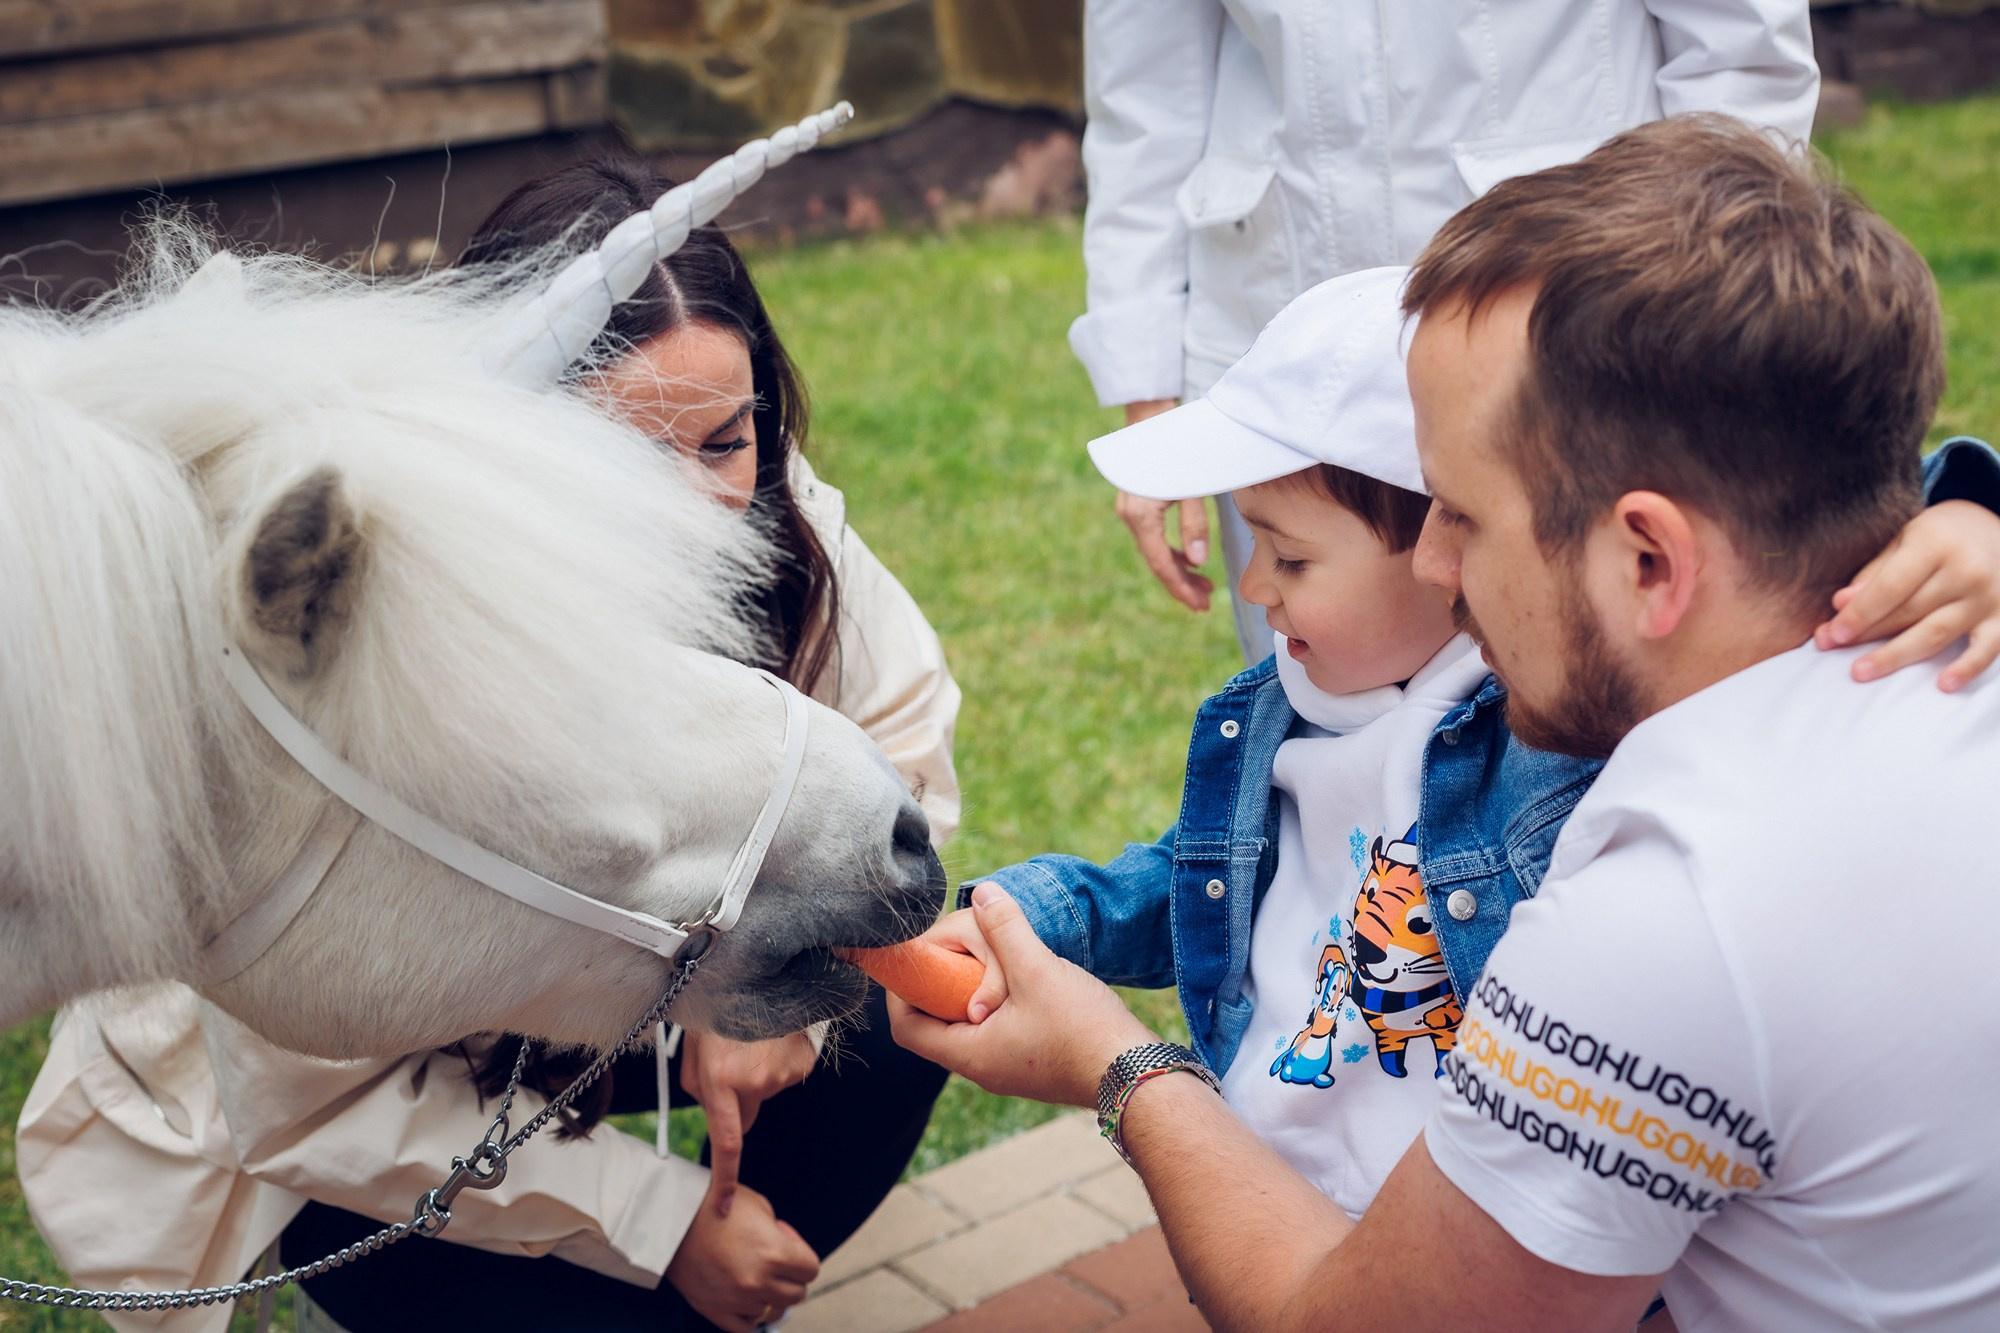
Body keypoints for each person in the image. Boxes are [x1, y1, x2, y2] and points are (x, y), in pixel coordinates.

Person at [897, 115, 2000, 1330]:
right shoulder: (1954, 660)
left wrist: (1120, 1066)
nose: (1430, 564)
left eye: (1462, 516)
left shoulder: (1667, 919)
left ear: (1648, 559)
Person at [17, 160, 961, 1333]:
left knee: (893, 1004)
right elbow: (312, 1104)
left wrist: (791, 1020)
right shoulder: (403, 639)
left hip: (620, 1003)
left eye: (725, 440)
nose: (698, 512)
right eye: (625, 462)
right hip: (376, 1120)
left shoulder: (789, 529)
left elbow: (905, 738)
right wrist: (657, 1224)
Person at [1073, 0, 1823, 662]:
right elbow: (1143, 91)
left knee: (1572, 697)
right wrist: (1147, 383)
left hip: (1568, 316)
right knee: (1317, 685)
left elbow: (1740, 61)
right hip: (1273, 310)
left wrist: (1691, 318)